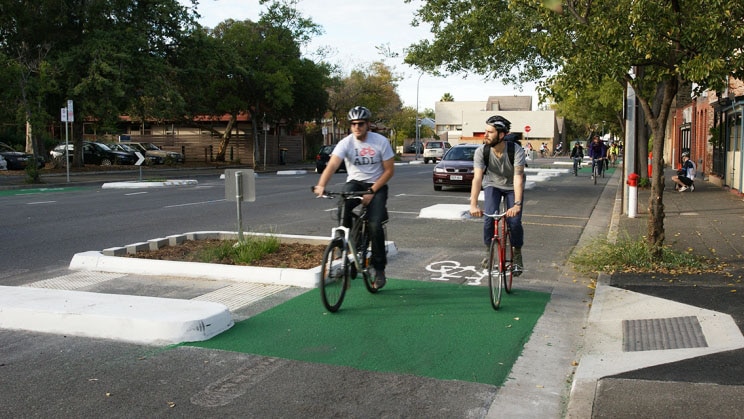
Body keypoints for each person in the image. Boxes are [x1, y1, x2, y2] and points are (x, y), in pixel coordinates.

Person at [313, 106, 395, 289]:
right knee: (343, 205)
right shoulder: (346, 143)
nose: (356, 127)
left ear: (368, 125)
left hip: (377, 185)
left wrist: (372, 191)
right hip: (355, 183)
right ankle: (344, 250)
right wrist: (321, 185)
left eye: (360, 124)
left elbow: (389, 171)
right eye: (353, 124)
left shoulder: (380, 142)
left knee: (374, 224)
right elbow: (332, 165)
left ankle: (379, 268)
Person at [469, 115, 526, 276]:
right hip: (492, 185)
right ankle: (488, 252)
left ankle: (517, 253)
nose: (485, 135)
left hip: (512, 186)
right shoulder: (482, 151)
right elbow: (477, 178)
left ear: (501, 135)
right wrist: (473, 204)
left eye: (490, 132)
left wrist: (517, 204)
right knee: (489, 218)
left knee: (514, 222)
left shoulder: (516, 151)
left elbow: (518, 178)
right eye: (485, 131)